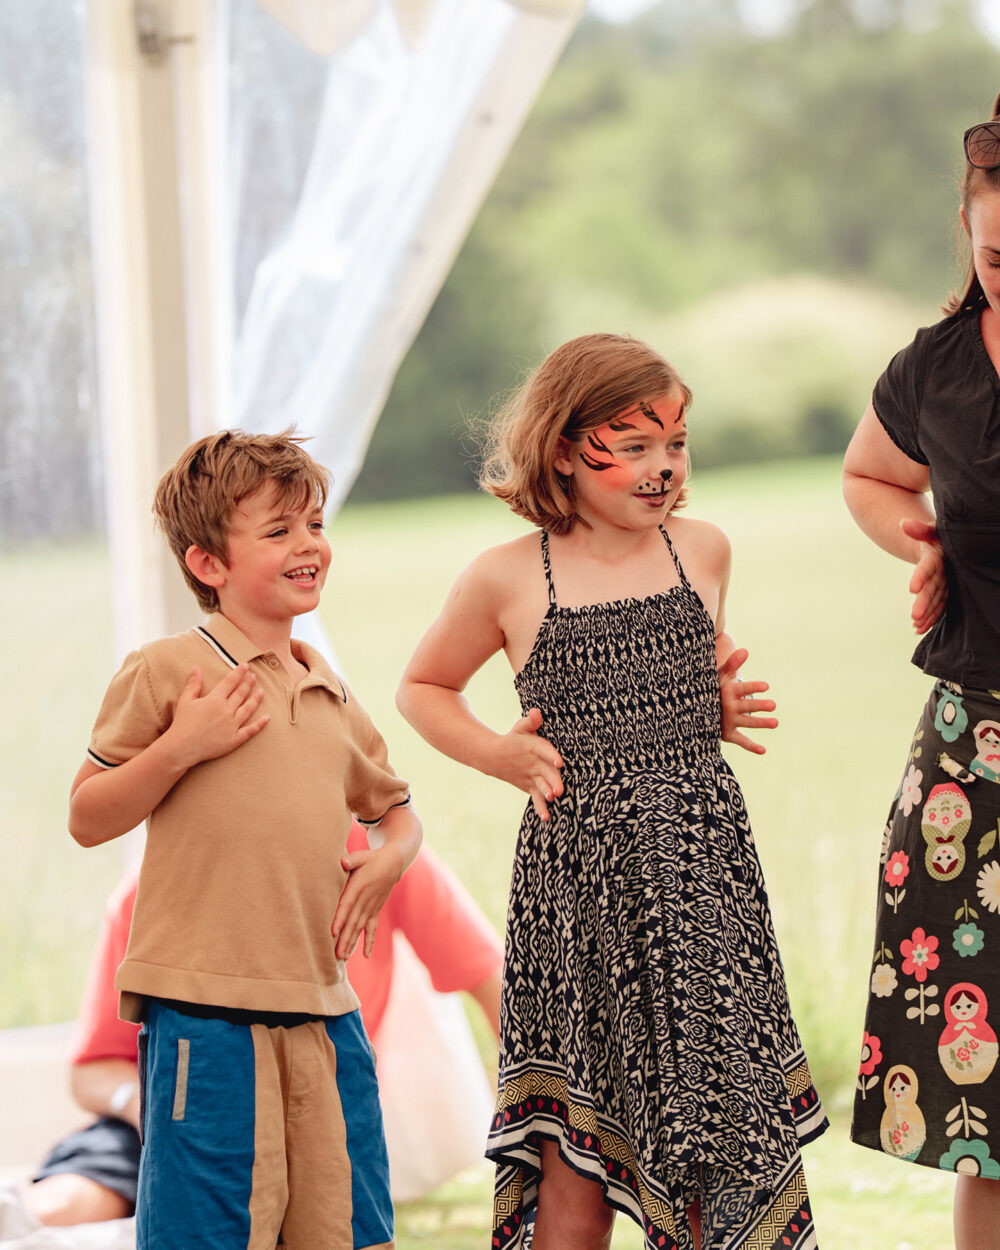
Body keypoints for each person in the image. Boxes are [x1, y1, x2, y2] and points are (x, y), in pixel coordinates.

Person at [396, 333, 827, 1250]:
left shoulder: (702, 552)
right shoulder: (507, 575)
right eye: (632, 447)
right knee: (576, 1152)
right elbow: (423, 688)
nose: (661, 467)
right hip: (582, 892)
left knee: (715, 1126)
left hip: (700, 881)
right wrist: (498, 754)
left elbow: (691, 669)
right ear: (562, 451)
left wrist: (711, 705)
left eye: (675, 444)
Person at [66, 429, 421, 1250]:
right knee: (209, 1230)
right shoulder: (166, 671)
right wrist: (180, 747)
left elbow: (396, 812)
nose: (309, 545)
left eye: (316, 525)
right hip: (206, 1017)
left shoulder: (330, 691)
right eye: (279, 530)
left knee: (348, 1226)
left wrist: (389, 861)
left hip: (326, 1013)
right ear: (209, 564)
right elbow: (87, 815)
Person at [23, 829, 503, 1227]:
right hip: (169, 1119)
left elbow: (492, 982)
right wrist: (147, 1113)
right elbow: (91, 1072)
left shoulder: (377, 855)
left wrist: (528, 1115)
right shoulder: (147, 890)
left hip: (315, 1122)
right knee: (61, 1208)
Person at [846, 93, 1000, 1249]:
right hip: (970, 761)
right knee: (978, 1097)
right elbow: (869, 474)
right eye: (997, 255)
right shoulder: (934, 367)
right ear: (967, 226)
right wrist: (924, 542)